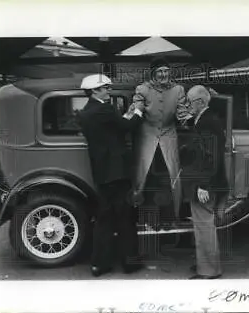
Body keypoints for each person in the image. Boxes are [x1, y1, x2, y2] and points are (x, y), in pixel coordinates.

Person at [78, 74, 144, 277]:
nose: (108, 90)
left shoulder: (86, 112)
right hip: (117, 172)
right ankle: (130, 262)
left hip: (102, 172)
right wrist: (138, 111)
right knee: (125, 217)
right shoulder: (105, 109)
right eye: (105, 88)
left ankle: (99, 264)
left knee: (104, 219)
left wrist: (124, 117)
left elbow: (111, 129)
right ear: (95, 90)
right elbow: (126, 127)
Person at [126, 57, 191, 225]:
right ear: (153, 73)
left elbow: (182, 113)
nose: (164, 74)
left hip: (169, 136)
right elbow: (137, 109)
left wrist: (194, 119)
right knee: (145, 176)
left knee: (171, 177)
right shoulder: (143, 89)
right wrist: (128, 119)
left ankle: (170, 217)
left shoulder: (178, 90)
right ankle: (145, 216)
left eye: (166, 71)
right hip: (147, 137)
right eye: (160, 71)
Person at [185, 85, 228, 279]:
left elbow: (211, 156)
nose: (187, 105)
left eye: (189, 102)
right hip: (208, 181)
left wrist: (203, 184)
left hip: (205, 183)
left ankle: (209, 271)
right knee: (202, 225)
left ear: (200, 102)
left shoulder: (207, 122)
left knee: (204, 225)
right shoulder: (205, 119)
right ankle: (205, 266)